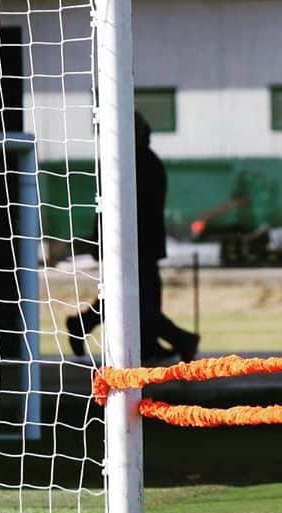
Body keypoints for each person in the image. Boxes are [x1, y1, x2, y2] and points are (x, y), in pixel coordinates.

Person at [65, 113, 199, 363]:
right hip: (134, 246)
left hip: (134, 245)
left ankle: (89, 326)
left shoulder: (131, 162)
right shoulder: (140, 162)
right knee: (135, 299)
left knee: (130, 297)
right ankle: (176, 339)